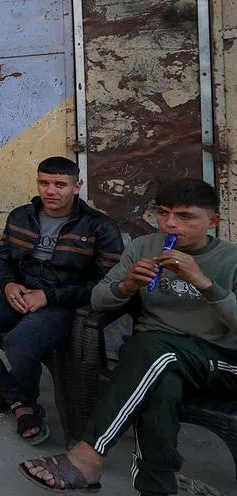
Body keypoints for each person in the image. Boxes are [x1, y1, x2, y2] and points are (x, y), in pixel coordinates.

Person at [19, 178, 237, 493]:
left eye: (185, 217)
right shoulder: (143, 247)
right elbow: (97, 299)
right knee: (160, 386)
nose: (170, 224)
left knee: (152, 349)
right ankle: (155, 490)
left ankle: (87, 454)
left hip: (218, 360)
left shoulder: (230, 260)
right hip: (155, 358)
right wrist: (127, 286)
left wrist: (204, 283)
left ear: (213, 221)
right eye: (163, 214)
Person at [0, 156, 124, 445]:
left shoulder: (99, 227)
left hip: (62, 306)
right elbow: (3, 256)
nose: (51, 191)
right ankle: (20, 401)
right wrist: (7, 285)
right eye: (44, 183)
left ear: (77, 186)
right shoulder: (21, 216)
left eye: (60, 184)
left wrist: (50, 295)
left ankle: (15, 400)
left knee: (21, 341)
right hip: (19, 295)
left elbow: (106, 282)